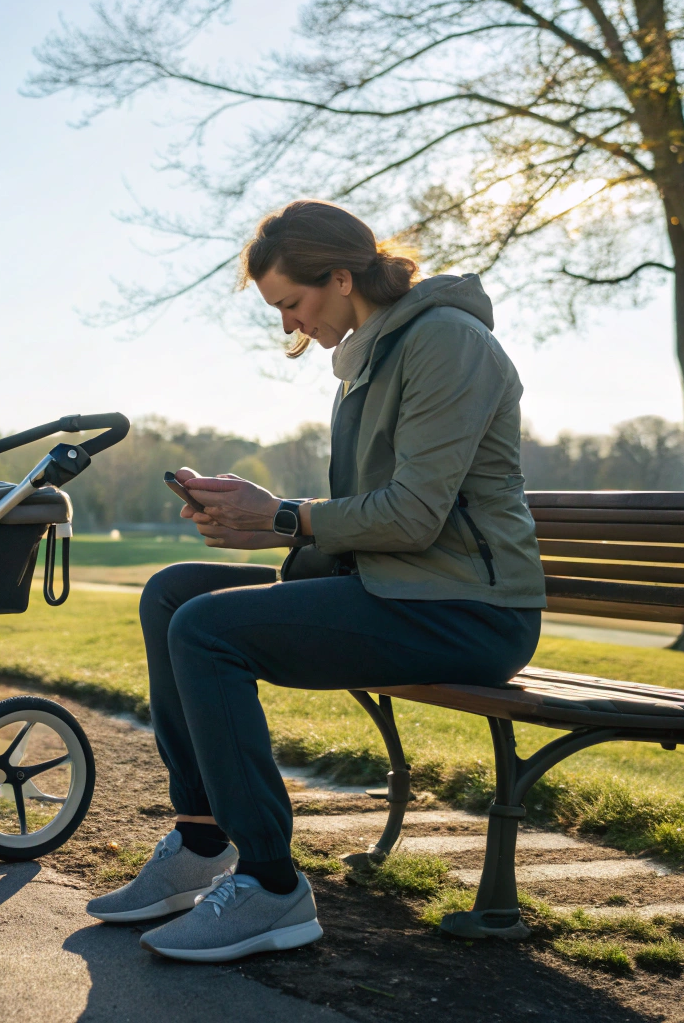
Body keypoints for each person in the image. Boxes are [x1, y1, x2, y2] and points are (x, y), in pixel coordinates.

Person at [85, 201, 547, 962]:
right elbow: (369, 518)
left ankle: (270, 887)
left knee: (207, 630)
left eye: (292, 305)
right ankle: (202, 844)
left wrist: (286, 517)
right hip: (403, 591)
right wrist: (259, 521)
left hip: (470, 610)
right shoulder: (375, 355)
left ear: (341, 276)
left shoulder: (446, 344)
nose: (290, 328)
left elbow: (414, 518)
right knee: (175, 593)